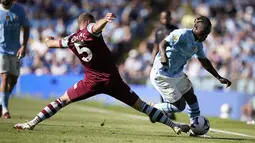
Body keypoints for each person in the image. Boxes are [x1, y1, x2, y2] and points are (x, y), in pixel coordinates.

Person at [14, 12, 190, 134]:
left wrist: (47, 40)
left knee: (62, 101)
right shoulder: (91, 29)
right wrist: (105, 20)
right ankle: (174, 125)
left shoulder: (71, 39)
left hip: (90, 82)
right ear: (88, 21)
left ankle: (32, 123)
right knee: (143, 106)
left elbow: (51, 45)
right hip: (112, 81)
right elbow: (95, 27)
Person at [149, 16, 231, 133]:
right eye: (203, 33)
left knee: (191, 96)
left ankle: (195, 126)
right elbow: (163, 43)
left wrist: (218, 77)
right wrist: (163, 56)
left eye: (207, 34)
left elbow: (204, 61)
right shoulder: (182, 34)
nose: (204, 36)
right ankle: (154, 108)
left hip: (177, 73)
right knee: (179, 106)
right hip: (162, 74)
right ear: (195, 27)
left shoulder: (198, 44)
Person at [0, 0, 30, 119]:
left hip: (16, 50)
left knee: (13, 80)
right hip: (1, 50)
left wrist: (24, 46)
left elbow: (26, 27)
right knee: (5, 77)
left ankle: (1, 103)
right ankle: (5, 109)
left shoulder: (19, 10)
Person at [149, 10, 178, 120]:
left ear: (170, 18)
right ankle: (166, 110)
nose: (165, 20)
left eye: (167, 17)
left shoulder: (175, 30)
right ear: (161, 19)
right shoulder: (159, 31)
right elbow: (156, 47)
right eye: (163, 18)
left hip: (174, 62)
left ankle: (167, 108)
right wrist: (152, 61)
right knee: (163, 85)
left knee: (173, 85)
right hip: (161, 62)